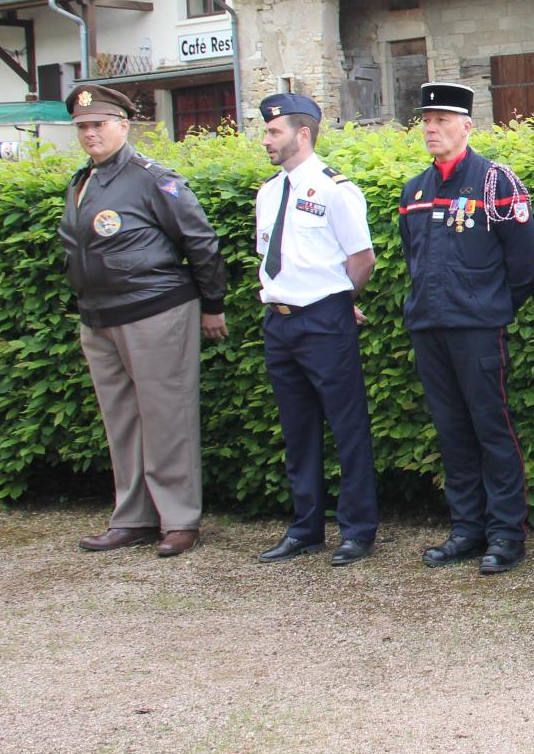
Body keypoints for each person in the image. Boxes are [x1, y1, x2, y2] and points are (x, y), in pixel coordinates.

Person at [58, 82, 227, 558]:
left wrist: (212, 305)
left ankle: (178, 520)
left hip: (156, 312)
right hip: (100, 318)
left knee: (166, 417)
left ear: (123, 126)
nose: (90, 134)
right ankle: (132, 517)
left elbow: (200, 241)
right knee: (123, 422)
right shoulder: (81, 181)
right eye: (82, 127)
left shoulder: (152, 177)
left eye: (98, 125)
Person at [398, 82, 534, 576]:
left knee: (490, 429)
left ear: (467, 126)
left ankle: (506, 534)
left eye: (442, 120)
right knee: (452, 431)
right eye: (426, 120)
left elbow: (524, 264)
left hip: (478, 330)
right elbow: (413, 258)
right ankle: (466, 529)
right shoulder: (414, 189)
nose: (432, 128)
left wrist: (490, 307)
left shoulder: (495, 181)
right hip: (429, 328)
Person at [251, 93, 379, 567]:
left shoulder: (334, 189)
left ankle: (358, 529)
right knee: (297, 430)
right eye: (266, 131)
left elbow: (362, 258)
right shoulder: (268, 192)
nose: (266, 140)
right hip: (279, 321)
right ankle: (305, 528)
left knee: (348, 428)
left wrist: (341, 301)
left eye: (274, 131)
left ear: (302, 135)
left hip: (324, 319)